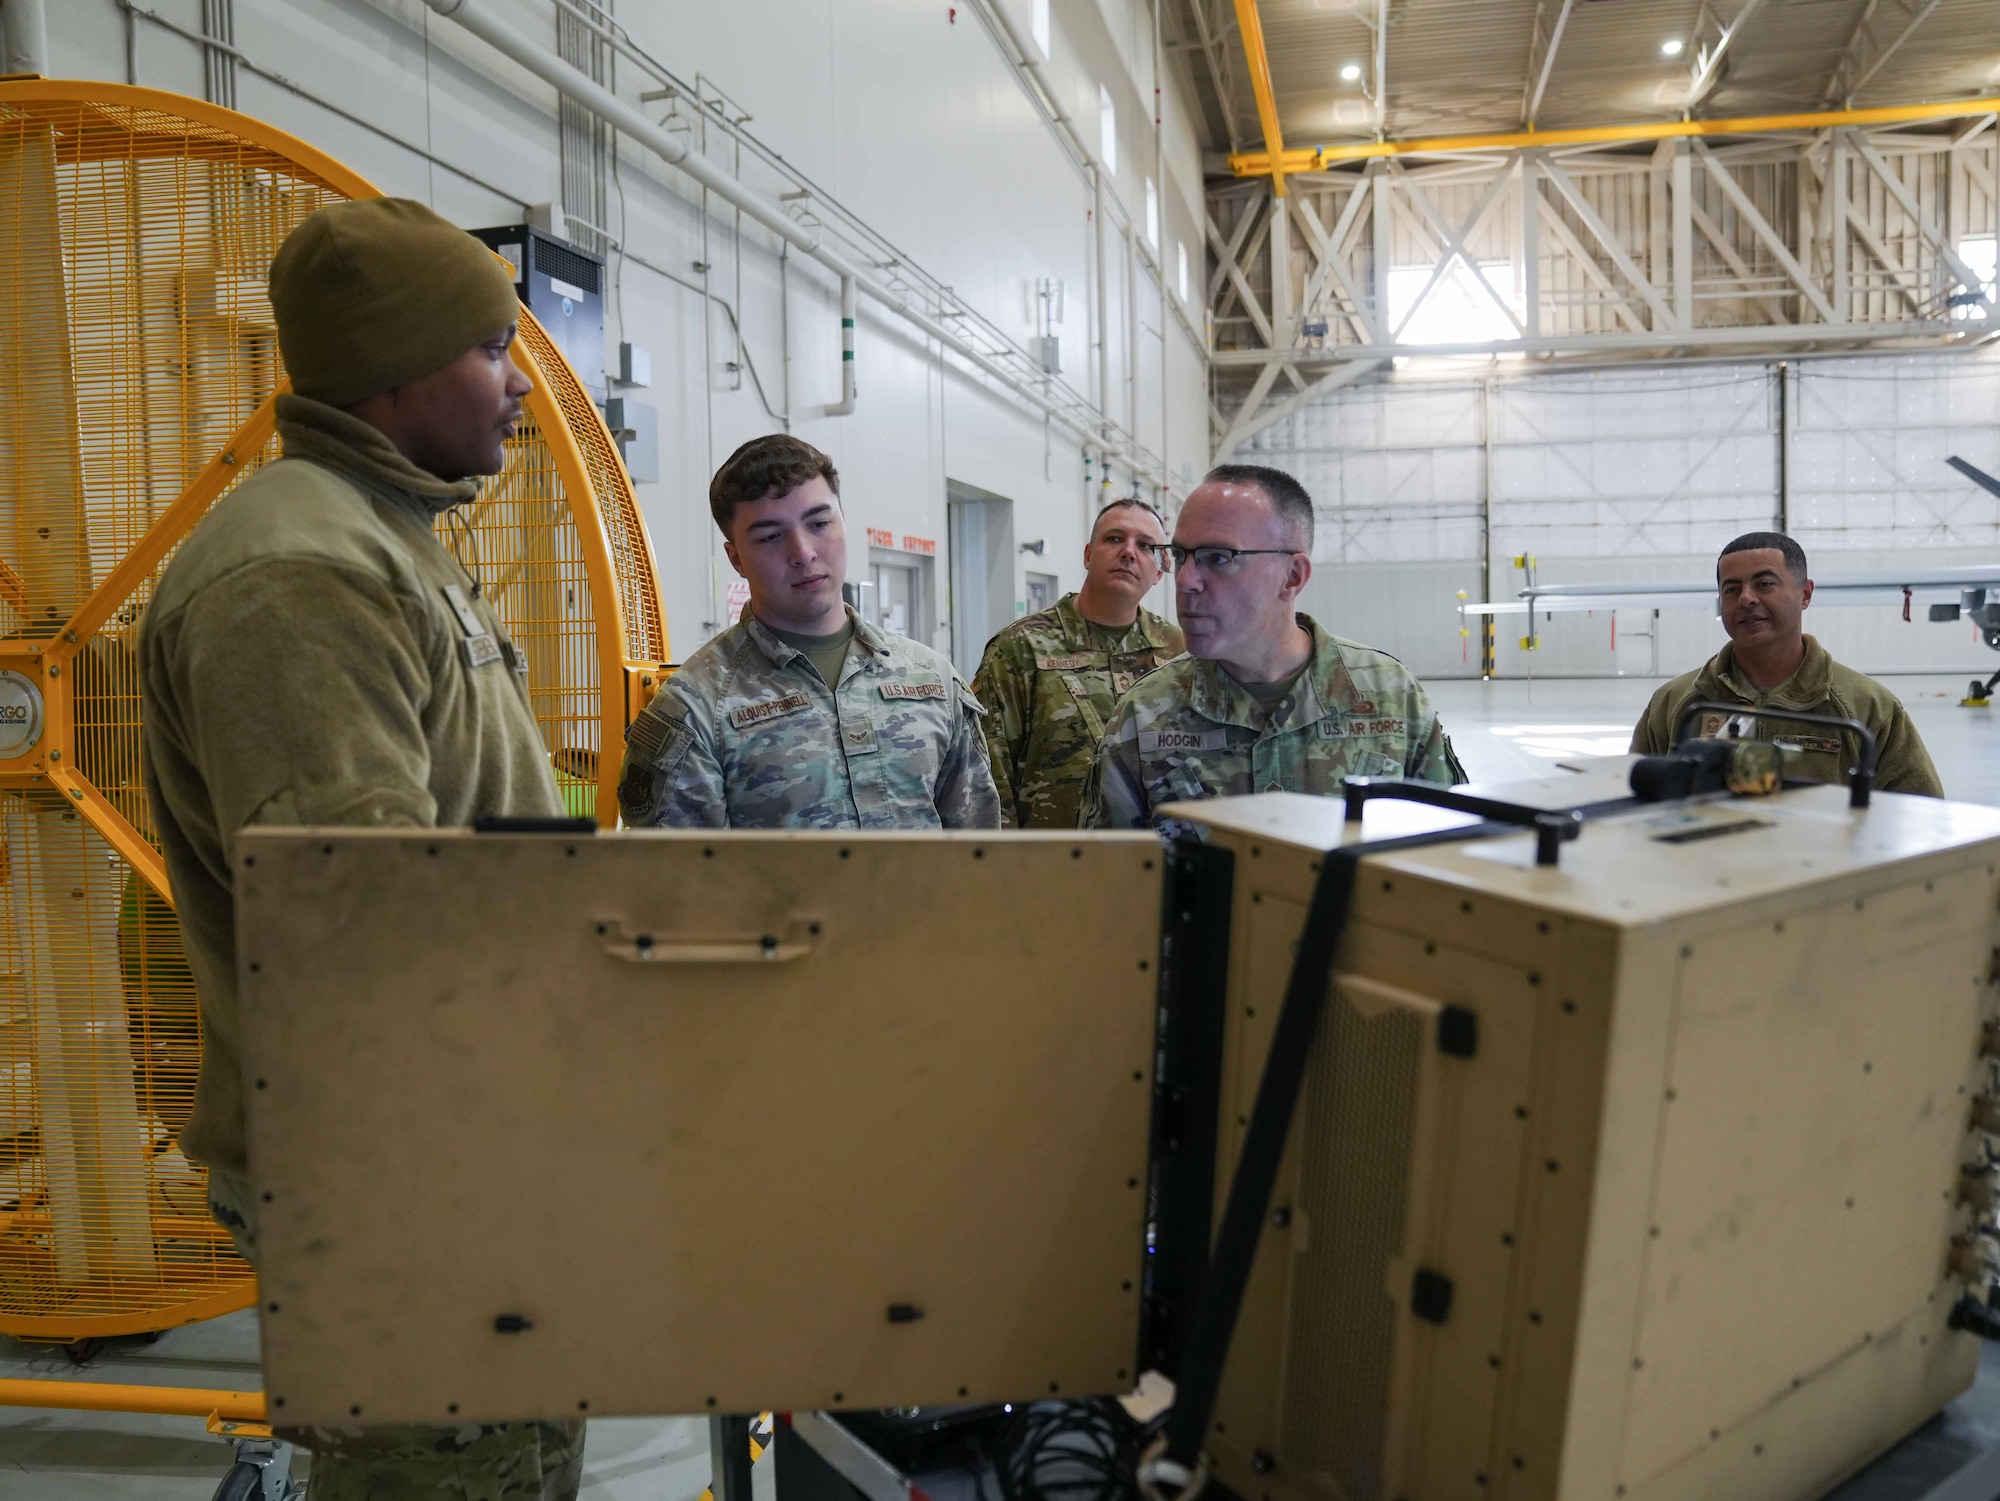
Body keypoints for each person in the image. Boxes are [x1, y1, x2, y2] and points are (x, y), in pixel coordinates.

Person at [139, 198, 583, 1499]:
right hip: (400, 1172)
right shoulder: (301, 571)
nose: (518, 386)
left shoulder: (382, 536)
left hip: (466, 1142)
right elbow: (363, 928)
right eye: (493, 348)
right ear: (396, 366)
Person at [619, 435, 1000, 829]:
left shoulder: (932, 679)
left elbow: (979, 853)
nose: (802, 552)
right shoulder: (696, 707)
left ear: (843, 521)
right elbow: (676, 880)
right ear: (736, 558)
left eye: (819, 523)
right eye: (770, 536)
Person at [1084, 464, 1464, 828]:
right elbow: (1110, 879)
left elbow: (1450, 852)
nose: (1185, 581)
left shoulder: (1392, 698)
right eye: (1180, 556)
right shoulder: (1145, 715)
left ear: (1292, 576)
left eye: (1217, 557)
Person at [1630, 531, 1942, 795]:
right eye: (1732, 589)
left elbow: (1919, 816)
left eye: (1764, 584)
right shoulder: (1674, 702)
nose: (1746, 599)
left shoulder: (1869, 707)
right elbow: (1634, 798)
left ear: (1805, 594)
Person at [970, 499, 1185, 828]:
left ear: (1158, 571)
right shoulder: (1021, 648)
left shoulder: (1178, 649)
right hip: (1053, 864)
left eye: (1145, 545)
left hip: (1152, 860)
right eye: (1114, 539)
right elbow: (989, 776)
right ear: (1087, 554)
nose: (1129, 552)